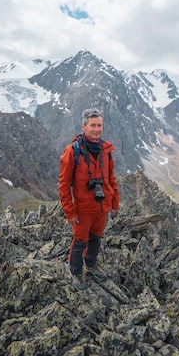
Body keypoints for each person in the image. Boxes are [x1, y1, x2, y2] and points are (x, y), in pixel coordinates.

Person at [59, 108, 120, 290]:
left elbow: (111, 177)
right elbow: (64, 184)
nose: (97, 129)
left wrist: (114, 201)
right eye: (93, 125)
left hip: (102, 207)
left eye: (99, 125)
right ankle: (75, 272)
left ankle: (90, 266)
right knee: (80, 242)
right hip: (83, 209)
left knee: (96, 239)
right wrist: (70, 211)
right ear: (84, 126)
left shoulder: (106, 150)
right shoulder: (72, 151)